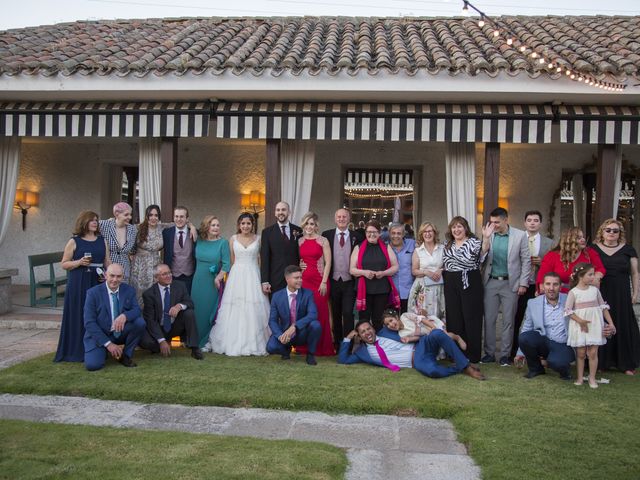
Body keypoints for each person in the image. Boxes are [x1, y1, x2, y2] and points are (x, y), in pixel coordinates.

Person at [208, 213, 270, 356]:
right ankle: (232, 341)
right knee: (236, 307)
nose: (246, 226)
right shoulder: (233, 239)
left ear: (252, 225)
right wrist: (224, 277)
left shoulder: (259, 239)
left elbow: (261, 260)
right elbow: (231, 260)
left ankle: (255, 341)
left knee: (253, 307)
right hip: (237, 275)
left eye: (248, 223)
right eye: (243, 223)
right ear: (239, 225)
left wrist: (262, 279)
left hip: (253, 274)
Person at [338, 321, 485, 380]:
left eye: (368, 328)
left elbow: (399, 323)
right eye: (363, 332)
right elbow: (343, 360)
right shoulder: (362, 353)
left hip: (420, 346)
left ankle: (466, 366)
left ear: (373, 329)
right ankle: (460, 368)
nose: (367, 333)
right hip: (418, 361)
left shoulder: (385, 332)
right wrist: (348, 338)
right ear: (360, 336)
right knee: (433, 372)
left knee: (437, 333)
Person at [55, 211, 108, 362]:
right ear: (84, 222)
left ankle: (96, 348)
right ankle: (75, 350)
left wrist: (109, 275)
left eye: (96, 220)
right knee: (78, 313)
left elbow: (107, 261)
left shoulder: (102, 240)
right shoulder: (74, 241)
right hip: (78, 282)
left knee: (97, 314)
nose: (95, 222)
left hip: (97, 280)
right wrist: (78, 262)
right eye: (92, 220)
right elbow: (64, 263)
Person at [480, 207, 531, 366]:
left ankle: (504, 355)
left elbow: (526, 260)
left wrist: (523, 283)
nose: (493, 225)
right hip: (491, 282)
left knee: (508, 320)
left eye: (497, 222)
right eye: (492, 222)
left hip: (511, 283)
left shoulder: (520, 235)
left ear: (506, 220)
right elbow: (481, 256)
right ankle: (488, 353)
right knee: (489, 319)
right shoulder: (489, 234)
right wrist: (486, 239)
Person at [592, 219, 640, 375]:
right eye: (608, 230)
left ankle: (626, 363)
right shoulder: (592, 249)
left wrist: (635, 293)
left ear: (620, 233)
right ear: (602, 231)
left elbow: (634, 273)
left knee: (623, 324)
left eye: (615, 230)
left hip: (622, 293)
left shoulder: (628, 250)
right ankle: (601, 362)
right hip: (601, 292)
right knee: (600, 323)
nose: (611, 233)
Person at [83, 263, 146, 371]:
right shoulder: (93, 293)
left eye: (118, 276)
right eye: (112, 276)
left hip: (119, 332)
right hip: (101, 334)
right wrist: (108, 344)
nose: (115, 279)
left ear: (122, 277)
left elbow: (137, 310)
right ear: (105, 275)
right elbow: (89, 323)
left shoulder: (128, 290)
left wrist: (125, 316)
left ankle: (125, 355)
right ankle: (106, 350)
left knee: (140, 323)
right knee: (93, 365)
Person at [511, 210, 555, 362]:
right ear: (524, 223)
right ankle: (514, 352)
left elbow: (553, 264)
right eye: (529, 220)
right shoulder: (516, 239)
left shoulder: (549, 243)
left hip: (538, 285)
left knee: (539, 319)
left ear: (540, 223)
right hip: (520, 284)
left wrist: (543, 262)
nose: (532, 223)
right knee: (517, 318)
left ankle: (539, 353)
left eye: (536, 220)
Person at [442, 216, 486, 364]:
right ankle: (456, 353)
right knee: (454, 317)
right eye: (454, 227)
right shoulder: (448, 244)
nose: (457, 229)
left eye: (459, 226)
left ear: (466, 228)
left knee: (471, 317)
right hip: (450, 281)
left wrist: (486, 237)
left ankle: (473, 355)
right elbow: (444, 264)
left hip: (469, 281)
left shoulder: (474, 242)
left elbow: (483, 253)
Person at [566, 263, 616, 388]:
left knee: (593, 353)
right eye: (590, 274)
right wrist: (580, 321)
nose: (593, 277)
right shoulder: (573, 292)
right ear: (581, 276)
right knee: (581, 353)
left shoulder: (595, 291)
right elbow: (568, 311)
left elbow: (603, 308)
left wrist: (611, 323)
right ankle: (580, 377)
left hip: (594, 325)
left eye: (593, 274)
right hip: (580, 325)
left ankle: (592, 378)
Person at [518, 271, 575, 381]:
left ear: (561, 286)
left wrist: (605, 327)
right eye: (548, 284)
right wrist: (520, 353)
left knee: (557, 363)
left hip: (563, 343)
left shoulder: (570, 299)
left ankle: (564, 371)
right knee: (524, 337)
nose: (551, 288)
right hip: (544, 341)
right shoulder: (533, 303)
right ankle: (536, 369)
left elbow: (588, 313)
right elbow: (527, 327)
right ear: (543, 286)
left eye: (555, 284)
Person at [139, 264, 203, 360]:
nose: (168, 276)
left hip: (174, 326)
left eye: (169, 272)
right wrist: (161, 340)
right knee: (147, 342)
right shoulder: (149, 294)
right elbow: (150, 321)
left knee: (189, 313)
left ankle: (194, 348)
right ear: (156, 278)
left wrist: (179, 306)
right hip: (159, 327)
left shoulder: (180, 286)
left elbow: (190, 303)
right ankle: (159, 345)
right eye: (164, 274)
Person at [322, 208, 364, 352]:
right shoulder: (326, 235)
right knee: (335, 312)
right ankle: (338, 343)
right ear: (335, 219)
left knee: (347, 313)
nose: (341, 219)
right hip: (333, 280)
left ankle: (349, 343)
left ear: (349, 219)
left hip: (349, 281)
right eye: (339, 217)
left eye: (344, 217)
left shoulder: (357, 236)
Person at [350, 220, 400, 331]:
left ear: (379, 233)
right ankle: (365, 344)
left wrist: (383, 273)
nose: (372, 234)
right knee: (364, 319)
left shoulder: (387, 247)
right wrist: (364, 272)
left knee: (379, 319)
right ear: (365, 232)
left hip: (381, 289)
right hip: (364, 289)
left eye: (375, 232)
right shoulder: (358, 248)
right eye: (369, 231)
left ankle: (379, 343)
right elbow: (352, 270)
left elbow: (395, 266)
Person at [266, 265, 322, 365]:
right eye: (296, 278)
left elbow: (313, 314)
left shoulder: (308, 294)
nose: (300, 280)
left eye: (301, 277)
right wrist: (280, 336)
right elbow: (272, 321)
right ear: (287, 279)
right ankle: (285, 350)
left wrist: (295, 326)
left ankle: (310, 354)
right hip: (285, 334)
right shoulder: (277, 296)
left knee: (315, 325)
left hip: (301, 333)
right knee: (271, 347)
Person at [191, 215, 231, 349]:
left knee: (209, 311)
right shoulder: (199, 240)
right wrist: (191, 226)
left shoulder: (223, 243)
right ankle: (194, 340)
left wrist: (218, 277)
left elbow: (226, 264)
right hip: (198, 280)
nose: (215, 228)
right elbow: (183, 223)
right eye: (212, 225)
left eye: (217, 225)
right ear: (206, 227)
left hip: (213, 281)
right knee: (197, 310)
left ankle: (207, 341)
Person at [297, 212, 334, 356]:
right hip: (304, 282)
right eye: (307, 223)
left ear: (316, 226)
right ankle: (303, 346)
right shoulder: (299, 241)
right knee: (305, 312)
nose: (309, 226)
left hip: (320, 282)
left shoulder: (323, 241)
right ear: (303, 225)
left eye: (312, 224)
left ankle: (321, 347)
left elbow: (328, 262)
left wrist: (324, 282)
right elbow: (298, 259)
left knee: (320, 313)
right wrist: (299, 265)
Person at [536, 227, 606, 293]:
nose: (583, 240)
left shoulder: (590, 253)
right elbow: (542, 279)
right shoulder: (552, 256)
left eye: (583, 237)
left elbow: (600, 269)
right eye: (579, 238)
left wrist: (596, 278)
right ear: (568, 240)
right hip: (559, 294)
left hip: (584, 292)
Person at [260, 201, 302, 295]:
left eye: (283, 210)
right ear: (275, 213)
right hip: (275, 278)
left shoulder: (298, 230)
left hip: (294, 276)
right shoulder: (267, 232)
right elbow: (265, 258)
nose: (280, 212)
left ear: (289, 212)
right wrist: (265, 281)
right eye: (278, 210)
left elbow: (301, 253)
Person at [382, 309, 466, 350]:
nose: (391, 325)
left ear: (396, 317)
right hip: (427, 335)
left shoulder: (404, 316)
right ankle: (454, 354)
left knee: (445, 335)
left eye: (391, 320)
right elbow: (418, 337)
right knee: (442, 341)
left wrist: (433, 327)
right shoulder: (401, 334)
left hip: (429, 325)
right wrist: (409, 339)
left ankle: (457, 337)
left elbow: (421, 319)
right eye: (387, 324)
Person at [410, 221, 445, 320]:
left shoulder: (442, 248)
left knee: (439, 316)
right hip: (423, 289)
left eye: (430, 231)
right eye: (424, 231)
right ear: (421, 234)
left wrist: (441, 270)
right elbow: (414, 271)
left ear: (434, 233)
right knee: (423, 317)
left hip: (439, 287)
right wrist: (425, 272)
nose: (427, 234)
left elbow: (449, 265)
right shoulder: (418, 251)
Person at [99, 202, 137, 282]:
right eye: (126, 215)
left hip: (124, 270)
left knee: (123, 293)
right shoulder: (103, 225)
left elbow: (133, 249)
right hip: (107, 270)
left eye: (130, 214)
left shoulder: (133, 229)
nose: (129, 217)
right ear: (116, 214)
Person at [163, 206, 196, 293]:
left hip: (189, 276)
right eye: (176, 216)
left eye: (181, 216)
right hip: (172, 275)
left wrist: (192, 226)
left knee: (187, 302)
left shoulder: (195, 233)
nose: (179, 219)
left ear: (187, 218)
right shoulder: (166, 233)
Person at [389, 222, 415, 313]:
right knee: (392, 321)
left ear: (403, 234)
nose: (396, 236)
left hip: (409, 291)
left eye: (399, 233)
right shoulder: (385, 248)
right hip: (391, 292)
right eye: (393, 233)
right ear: (389, 234)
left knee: (407, 321)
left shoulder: (412, 244)